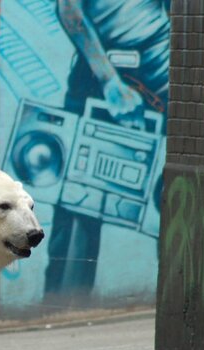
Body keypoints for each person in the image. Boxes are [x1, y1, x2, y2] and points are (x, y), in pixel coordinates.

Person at [44, 0, 169, 306]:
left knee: (172, 196)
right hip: (100, 71)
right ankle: (63, 311)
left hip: (157, 70)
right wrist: (110, 81)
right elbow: (69, 10)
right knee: (79, 197)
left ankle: (178, 305)